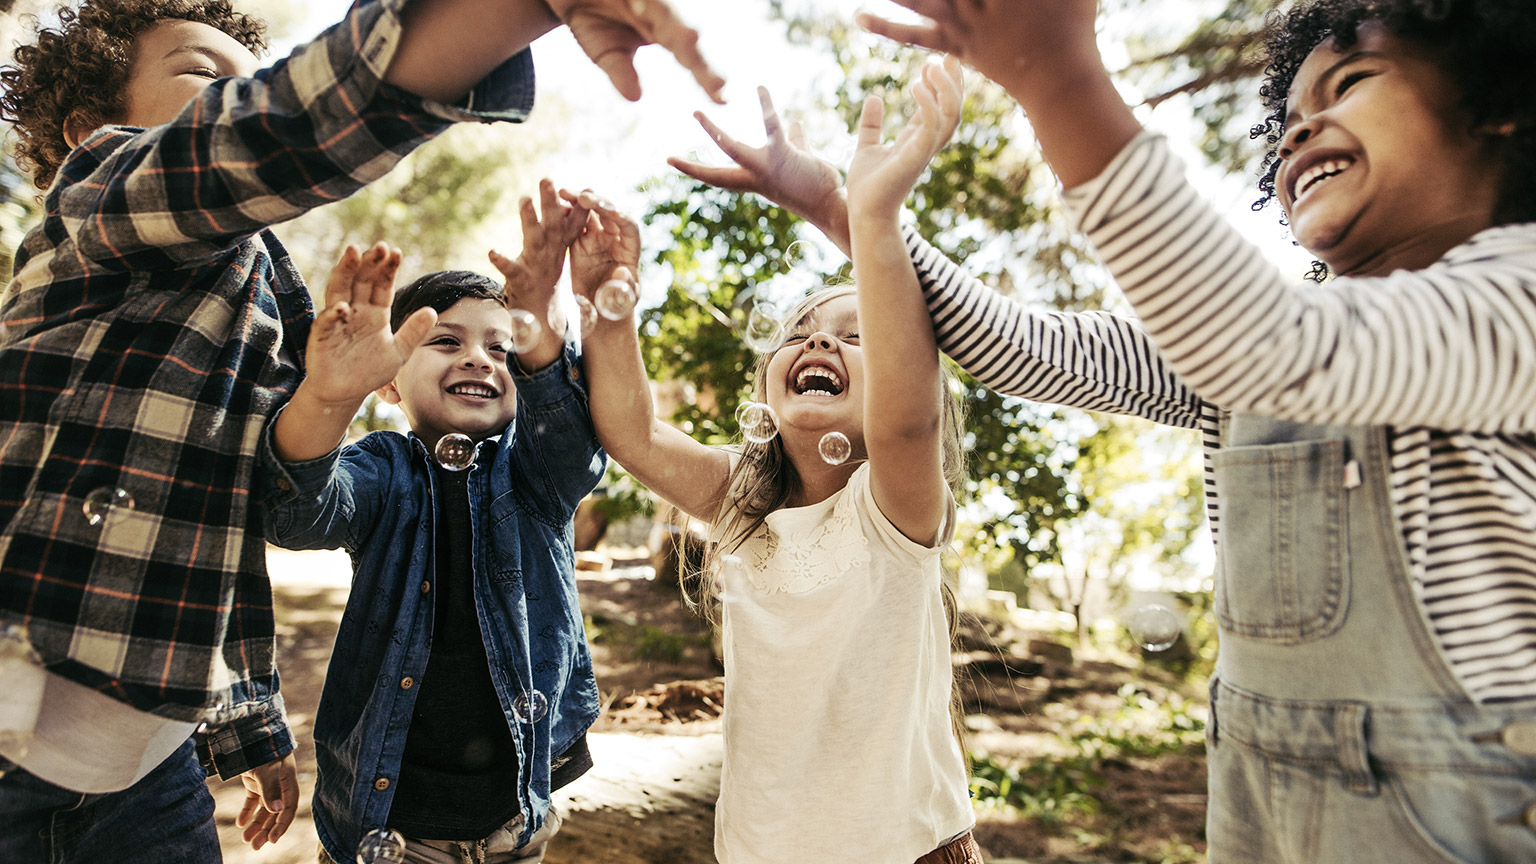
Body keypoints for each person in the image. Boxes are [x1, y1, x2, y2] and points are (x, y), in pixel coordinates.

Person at [678, 0, 1536, 861]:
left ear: (1498, 105)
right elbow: (1026, 348)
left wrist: (1059, 79)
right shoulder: (1246, 345)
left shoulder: (1517, 297)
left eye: (1347, 85)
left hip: (1459, 806)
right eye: (1290, 119)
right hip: (1261, 797)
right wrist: (851, 211)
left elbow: (1278, 346)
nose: (1299, 133)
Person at [0, 0, 721, 859]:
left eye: (251, 76)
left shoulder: (269, 294)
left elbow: (222, 525)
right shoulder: (98, 198)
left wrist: (253, 726)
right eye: (205, 74)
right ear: (92, 124)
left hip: (149, 767)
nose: (242, 92)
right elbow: (268, 136)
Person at [577, 58, 982, 864]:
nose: (819, 339)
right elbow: (633, 434)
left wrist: (870, 216)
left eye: (859, 334)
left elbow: (908, 421)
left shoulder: (893, 508)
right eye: (798, 331)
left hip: (903, 850)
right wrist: (607, 307)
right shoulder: (743, 503)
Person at [259, 179, 604, 864]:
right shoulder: (383, 469)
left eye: (503, 349)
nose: (479, 357)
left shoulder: (534, 474)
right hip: (387, 822)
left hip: (513, 825)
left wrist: (539, 319)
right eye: (446, 341)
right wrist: (327, 397)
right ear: (388, 381)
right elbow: (298, 513)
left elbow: (574, 445)